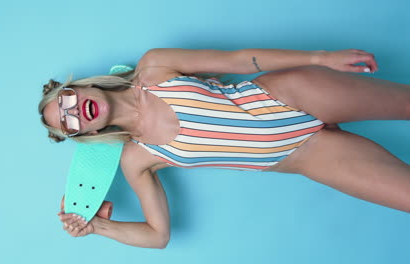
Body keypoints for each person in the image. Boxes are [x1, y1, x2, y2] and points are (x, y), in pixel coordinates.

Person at [39, 48, 410, 249]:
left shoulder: (154, 68)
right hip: (305, 155)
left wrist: (319, 59)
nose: (74, 112)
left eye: (66, 101)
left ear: (82, 88)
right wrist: (98, 228)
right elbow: (158, 236)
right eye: (68, 122)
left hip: (291, 95)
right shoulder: (138, 159)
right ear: (84, 135)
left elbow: (238, 60)